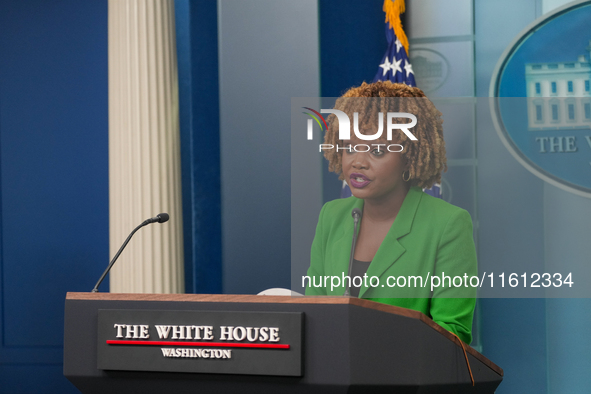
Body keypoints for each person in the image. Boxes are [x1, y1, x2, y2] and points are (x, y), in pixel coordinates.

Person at [305, 81, 477, 344]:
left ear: (409, 155)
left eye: (377, 150)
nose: (358, 161)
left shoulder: (448, 224)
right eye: (350, 147)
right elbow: (314, 311)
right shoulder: (332, 215)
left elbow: (453, 334)